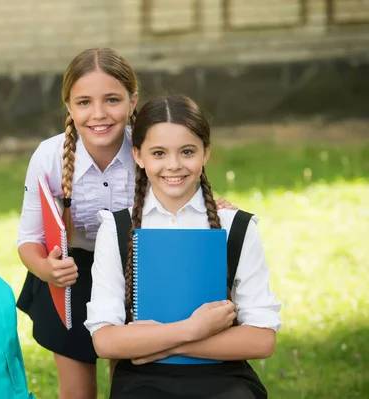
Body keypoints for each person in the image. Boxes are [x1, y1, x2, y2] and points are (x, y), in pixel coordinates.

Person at [16, 49, 235, 399]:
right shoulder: (49, 156)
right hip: (69, 275)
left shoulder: (149, 148)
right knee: (76, 392)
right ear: (69, 107)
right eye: (84, 102)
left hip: (135, 267)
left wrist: (218, 210)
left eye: (112, 100)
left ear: (133, 101)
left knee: (132, 380)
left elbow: (185, 193)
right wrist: (45, 269)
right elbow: (28, 238)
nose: (99, 114)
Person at [84, 94, 282, 398]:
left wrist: (163, 343)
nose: (173, 165)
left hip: (224, 377)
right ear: (138, 155)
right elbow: (106, 342)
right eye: (159, 153)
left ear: (206, 153)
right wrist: (191, 328)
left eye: (187, 151)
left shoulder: (236, 227)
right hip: (143, 380)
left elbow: (262, 340)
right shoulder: (117, 229)